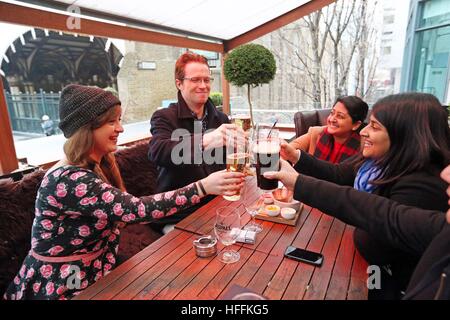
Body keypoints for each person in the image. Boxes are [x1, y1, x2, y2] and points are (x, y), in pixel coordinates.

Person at [3, 84, 244, 300]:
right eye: (111, 122)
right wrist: (204, 186)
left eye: (119, 120)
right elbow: (138, 210)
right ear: (87, 128)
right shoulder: (69, 179)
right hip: (64, 283)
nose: (120, 128)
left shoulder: (93, 164)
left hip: (94, 270)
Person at [281, 92, 450, 298]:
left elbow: (375, 243)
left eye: (375, 126)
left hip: (386, 279)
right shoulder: (377, 162)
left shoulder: (422, 184)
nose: (364, 132)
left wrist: (300, 184)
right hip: (361, 260)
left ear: (405, 135)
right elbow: (339, 174)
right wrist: (296, 156)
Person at [264, 159, 450, 300]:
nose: (446, 174)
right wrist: (298, 181)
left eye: (376, 126)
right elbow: (378, 212)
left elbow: (375, 233)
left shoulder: (418, 184)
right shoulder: (371, 164)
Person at [148, 51, 241, 232]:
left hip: (218, 204)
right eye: (196, 80)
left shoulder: (220, 118)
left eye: (207, 80)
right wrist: (205, 140)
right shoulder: (164, 117)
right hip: (180, 213)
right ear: (179, 83)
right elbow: (158, 151)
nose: (203, 85)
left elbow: (231, 160)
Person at [290, 96, 368, 164]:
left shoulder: (364, 148)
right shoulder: (317, 133)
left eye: (340, 116)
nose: (332, 119)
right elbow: (289, 149)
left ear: (356, 125)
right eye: (332, 113)